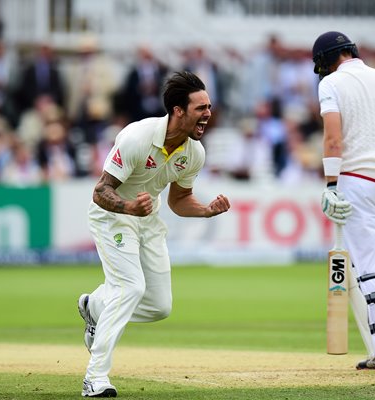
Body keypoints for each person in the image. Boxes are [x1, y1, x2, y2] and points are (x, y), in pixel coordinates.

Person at [78, 71, 230, 397]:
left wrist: (206, 210)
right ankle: (95, 378)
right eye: (200, 108)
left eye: (209, 106)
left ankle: (96, 307)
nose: (208, 114)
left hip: (148, 221)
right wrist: (129, 207)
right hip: (113, 216)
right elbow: (101, 191)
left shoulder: (194, 153)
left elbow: (179, 200)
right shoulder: (138, 137)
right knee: (130, 287)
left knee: (159, 306)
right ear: (178, 111)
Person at [312, 31, 375, 370]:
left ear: (326, 62)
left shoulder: (331, 84)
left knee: (369, 266)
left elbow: (333, 135)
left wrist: (330, 182)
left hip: (359, 178)